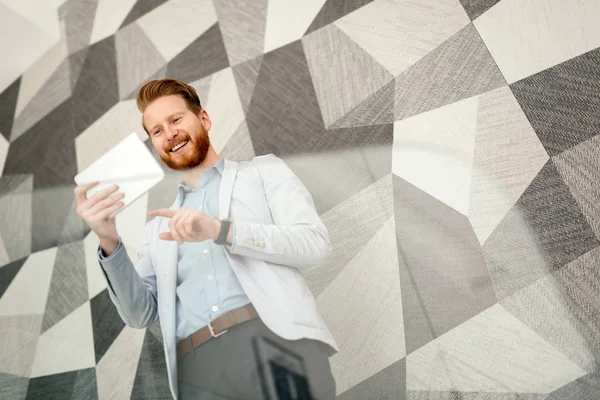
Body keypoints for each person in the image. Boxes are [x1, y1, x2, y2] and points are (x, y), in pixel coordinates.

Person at [74, 78, 339, 400]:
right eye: (157, 131)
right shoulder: (157, 229)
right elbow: (139, 313)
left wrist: (221, 230)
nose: (168, 133)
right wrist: (108, 240)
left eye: (175, 120)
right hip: (197, 371)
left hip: (274, 345)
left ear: (204, 119)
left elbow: (313, 244)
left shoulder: (263, 172)